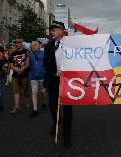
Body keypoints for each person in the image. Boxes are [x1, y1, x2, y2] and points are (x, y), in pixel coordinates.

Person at [44, 21, 73, 149]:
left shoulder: (72, 45)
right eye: (51, 29)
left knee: (67, 110)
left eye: (54, 29)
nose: (51, 31)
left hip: (68, 82)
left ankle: (67, 136)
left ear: (61, 31)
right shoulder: (48, 46)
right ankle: (57, 121)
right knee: (52, 106)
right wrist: (54, 72)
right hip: (54, 81)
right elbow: (46, 64)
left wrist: (67, 71)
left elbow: (77, 60)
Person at [9, 37, 30, 114]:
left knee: (25, 90)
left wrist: (22, 69)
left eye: (18, 42)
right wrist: (16, 70)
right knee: (15, 91)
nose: (16, 44)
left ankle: (27, 100)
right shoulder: (13, 53)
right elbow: (10, 64)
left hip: (24, 74)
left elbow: (27, 63)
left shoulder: (26, 52)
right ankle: (17, 107)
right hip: (15, 75)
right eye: (15, 43)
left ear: (22, 43)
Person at [28, 40, 47, 118]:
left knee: (43, 91)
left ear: (39, 46)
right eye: (32, 45)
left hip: (43, 76)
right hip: (33, 77)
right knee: (34, 92)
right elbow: (27, 65)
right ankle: (35, 110)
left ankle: (44, 102)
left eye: (35, 45)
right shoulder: (30, 55)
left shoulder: (44, 54)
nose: (33, 46)